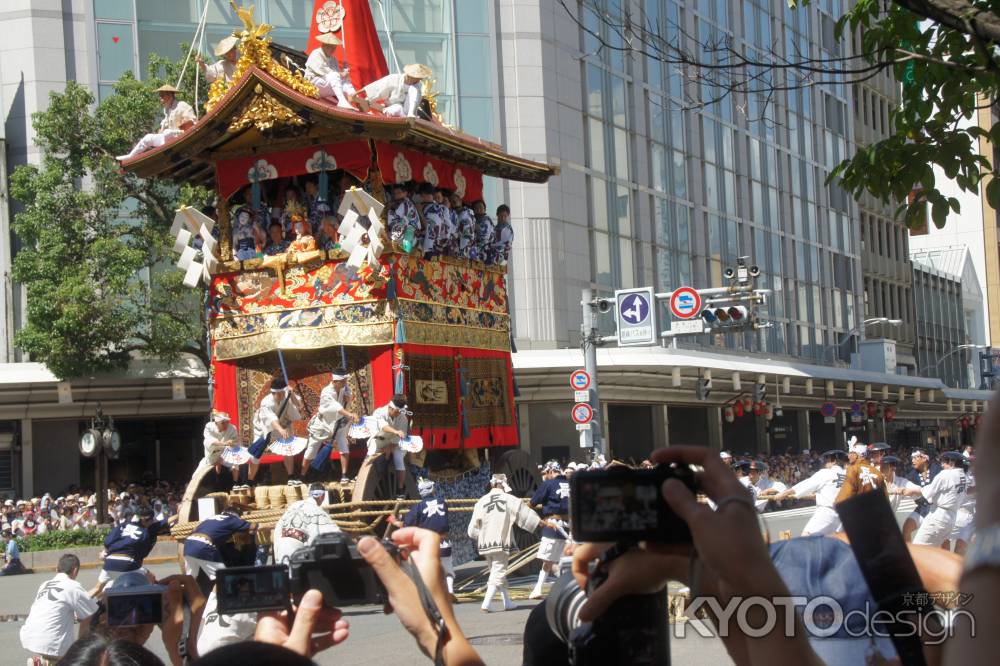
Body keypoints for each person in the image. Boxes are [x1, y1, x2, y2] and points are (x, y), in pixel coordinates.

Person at [468, 474, 547, 612]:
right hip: (500, 540)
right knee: (498, 571)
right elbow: (524, 513)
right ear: (503, 485)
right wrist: (538, 522)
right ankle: (486, 603)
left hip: (485, 542)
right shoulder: (508, 499)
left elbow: (472, 528)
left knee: (497, 571)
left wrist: (477, 536)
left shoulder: (481, 501)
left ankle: (507, 601)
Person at [20, 554, 99, 663]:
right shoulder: (73, 586)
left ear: (57, 569)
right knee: (89, 620)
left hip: (29, 636)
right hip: (52, 643)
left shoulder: (44, 584)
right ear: (75, 570)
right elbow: (93, 613)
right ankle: (55, 660)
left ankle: (42, 661)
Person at [389, 478, 455, 595]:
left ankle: (430, 593)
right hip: (444, 542)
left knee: (426, 570)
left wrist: (395, 521)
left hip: (428, 545)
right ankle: (450, 591)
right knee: (448, 570)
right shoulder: (442, 502)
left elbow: (406, 525)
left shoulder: (418, 507)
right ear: (433, 490)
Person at [97, 506, 175, 591]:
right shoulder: (147, 530)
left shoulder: (123, 525)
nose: (153, 521)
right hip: (127, 562)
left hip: (110, 560)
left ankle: (97, 602)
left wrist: (105, 552)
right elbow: (167, 521)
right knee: (150, 578)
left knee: (100, 589)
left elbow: (108, 541)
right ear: (147, 520)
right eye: (151, 519)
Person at [769, 450, 846, 535]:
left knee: (806, 538)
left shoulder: (826, 473)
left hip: (827, 513)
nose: (825, 463)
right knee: (837, 542)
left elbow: (805, 485)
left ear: (834, 461)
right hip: (843, 516)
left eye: (827, 460)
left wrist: (784, 493)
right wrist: (816, 495)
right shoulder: (847, 474)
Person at [303, 368, 358, 483]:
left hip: (339, 423)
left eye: (345, 380)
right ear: (335, 381)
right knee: (311, 450)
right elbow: (336, 407)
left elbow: (346, 406)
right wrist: (349, 414)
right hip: (323, 424)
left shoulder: (345, 389)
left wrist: (348, 400)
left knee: (344, 448)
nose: (345, 383)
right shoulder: (326, 392)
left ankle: (344, 475)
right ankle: (302, 476)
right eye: (343, 381)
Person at [116, 85, 196, 161]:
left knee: (167, 132)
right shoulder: (167, 110)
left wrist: (184, 123)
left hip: (181, 136)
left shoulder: (182, 105)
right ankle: (130, 156)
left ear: (170, 95)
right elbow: (162, 128)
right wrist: (162, 128)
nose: (160, 97)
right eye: (160, 95)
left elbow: (192, 122)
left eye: (162, 95)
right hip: (169, 139)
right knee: (148, 137)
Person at [250, 377, 305, 486]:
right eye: (278, 394)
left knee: (288, 449)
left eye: (282, 393)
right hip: (265, 429)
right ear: (272, 392)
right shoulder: (266, 402)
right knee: (256, 455)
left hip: (284, 425)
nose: (281, 396)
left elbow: (300, 407)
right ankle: (249, 480)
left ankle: (291, 477)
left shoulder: (286, 396)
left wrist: (292, 394)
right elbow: (272, 420)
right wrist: (280, 430)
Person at [529, 461, 570, 599]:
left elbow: (533, 502)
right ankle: (565, 587)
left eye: (546, 474)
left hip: (552, 524)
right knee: (560, 560)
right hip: (568, 526)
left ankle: (538, 589)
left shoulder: (548, 484)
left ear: (550, 471)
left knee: (547, 560)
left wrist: (524, 507)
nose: (545, 477)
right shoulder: (571, 484)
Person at [183, 507, 256, 585]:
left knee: (190, 578)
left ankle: (180, 595)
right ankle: (213, 598)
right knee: (222, 577)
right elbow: (253, 526)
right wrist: (261, 525)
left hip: (189, 543)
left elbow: (194, 529)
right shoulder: (232, 519)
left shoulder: (210, 518)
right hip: (203, 545)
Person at [912, 450, 968, 547]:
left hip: (938, 516)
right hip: (951, 517)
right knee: (936, 549)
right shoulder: (963, 476)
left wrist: (907, 490)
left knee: (918, 548)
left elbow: (928, 492)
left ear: (951, 462)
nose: (942, 465)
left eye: (944, 462)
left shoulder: (945, 474)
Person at [367, 394, 411, 499]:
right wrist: (396, 431)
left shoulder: (403, 418)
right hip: (378, 440)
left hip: (394, 443)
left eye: (400, 412)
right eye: (397, 411)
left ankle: (400, 489)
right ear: (390, 407)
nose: (398, 414)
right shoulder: (379, 413)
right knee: (370, 456)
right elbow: (383, 426)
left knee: (399, 460)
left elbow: (399, 439)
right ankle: (365, 476)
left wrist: (390, 448)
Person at [305, 33, 364, 110]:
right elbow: (322, 70)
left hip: (325, 85)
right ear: (324, 45)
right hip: (313, 83)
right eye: (331, 47)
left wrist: (345, 75)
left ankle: (357, 101)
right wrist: (340, 74)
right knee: (334, 76)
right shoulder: (316, 53)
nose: (333, 50)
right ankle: (342, 101)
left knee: (345, 81)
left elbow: (337, 77)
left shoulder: (333, 59)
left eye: (334, 47)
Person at [362, 63, 432, 118]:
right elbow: (380, 88)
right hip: (390, 107)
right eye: (418, 77)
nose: (420, 80)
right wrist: (363, 95)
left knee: (399, 108)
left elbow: (414, 100)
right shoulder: (394, 79)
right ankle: (368, 102)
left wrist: (411, 113)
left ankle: (409, 115)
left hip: (406, 112)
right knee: (395, 108)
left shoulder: (415, 88)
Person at [902, 447, 941, 542]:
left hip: (936, 509)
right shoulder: (912, 474)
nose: (912, 460)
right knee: (906, 529)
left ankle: (947, 556)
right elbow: (903, 484)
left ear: (924, 458)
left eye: (915, 457)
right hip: (922, 508)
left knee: (942, 539)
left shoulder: (937, 470)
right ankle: (910, 554)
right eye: (912, 458)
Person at [835, 437, 886, 503]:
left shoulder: (852, 470)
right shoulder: (876, 471)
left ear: (856, 455)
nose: (848, 456)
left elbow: (842, 499)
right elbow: (885, 497)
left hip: (858, 510)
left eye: (850, 453)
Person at [197, 410, 240, 484]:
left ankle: (235, 483)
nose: (225, 425)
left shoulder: (232, 428)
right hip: (211, 455)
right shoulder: (209, 427)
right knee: (196, 475)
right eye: (223, 423)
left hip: (225, 454)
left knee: (235, 463)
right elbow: (210, 441)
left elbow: (236, 442)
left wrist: (232, 443)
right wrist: (223, 443)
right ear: (216, 423)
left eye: (227, 422)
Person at [417, 182, 450, 259]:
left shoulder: (434, 209)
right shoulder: (433, 207)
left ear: (423, 194)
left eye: (420, 195)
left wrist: (420, 212)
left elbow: (429, 228)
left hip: (428, 248)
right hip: (423, 246)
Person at [387, 182, 421, 251]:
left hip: (407, 234)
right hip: (402, 232)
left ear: (405, 193)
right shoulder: (396, 204)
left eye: (399, 193)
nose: (397, 195)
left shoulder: (407, 204)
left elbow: (409, 220)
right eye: (395, 194)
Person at [449, 193, 475, 260]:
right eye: (451, 201)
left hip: (467, 249)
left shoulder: (469, 213)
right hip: (455, 249)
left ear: (460, 201)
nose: (453, 203)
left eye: (455, 200)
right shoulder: (451, 215)